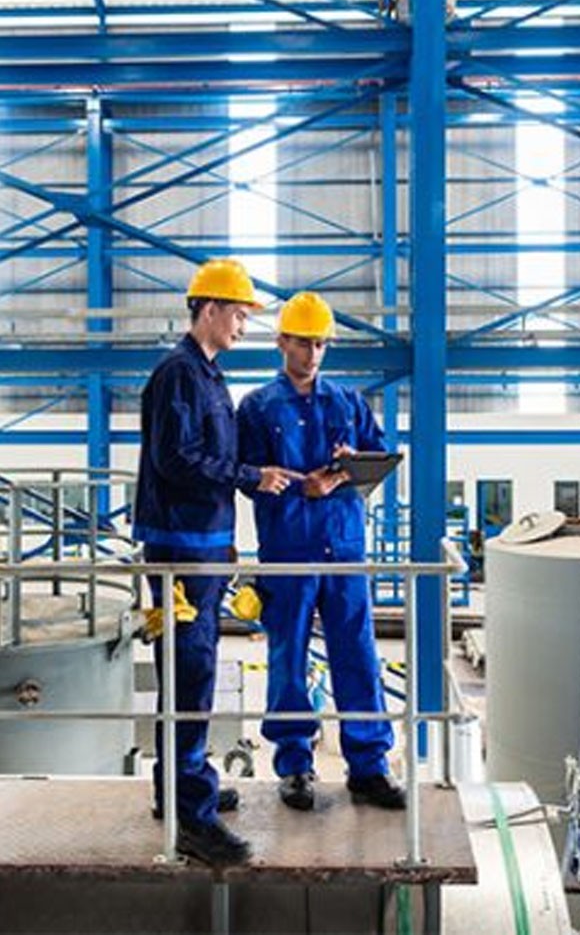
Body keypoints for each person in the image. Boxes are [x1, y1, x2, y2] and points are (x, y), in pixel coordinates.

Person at [134, 258, 298, 866]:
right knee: (190, 672)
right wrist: (251, 476)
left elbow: (199, 462)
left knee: (187, 670)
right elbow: (179, 461)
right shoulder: (181, 374)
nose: (242, 326)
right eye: (237, 313)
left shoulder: (205, 375)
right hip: (180, 546)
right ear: (207, 308)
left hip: (199, 543)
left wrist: (229, 532)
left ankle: (175, 792)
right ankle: (192, 822)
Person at [237, 290, 405, 813]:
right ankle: (294, 766)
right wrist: (297, 487)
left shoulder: (347, 401)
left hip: (344, 547)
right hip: (288, 549)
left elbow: (378, 456)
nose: (313, 353)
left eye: (322, 344)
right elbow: (244, 476)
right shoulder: (258, 408)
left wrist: (352, 462)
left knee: (357, 654)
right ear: (282, 341)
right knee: (287, 656)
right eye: (305, 342)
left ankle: (369, 767)